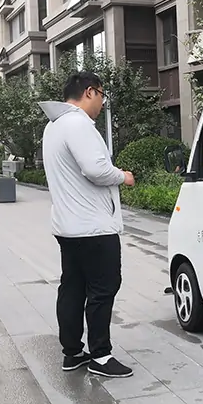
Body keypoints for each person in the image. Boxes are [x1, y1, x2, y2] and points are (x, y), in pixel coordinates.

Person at [39, 72, 136, 378]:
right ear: (90, 92)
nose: (102, 104)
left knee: (72, 288)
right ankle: (101, 355)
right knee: (102, 290)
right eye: (102, 97)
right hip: (94, 228)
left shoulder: (53, 126)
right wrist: (123, 176)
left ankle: (72, 352)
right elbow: (95, 169)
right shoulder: (78, 123)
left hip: (69, 227)